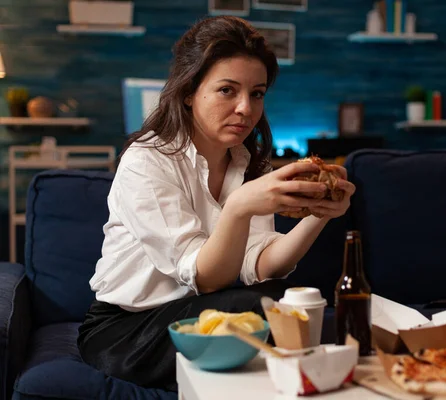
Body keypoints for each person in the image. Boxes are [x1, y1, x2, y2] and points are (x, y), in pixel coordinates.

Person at [77, 15, 356, 392]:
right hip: (129, 329)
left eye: (256, 93)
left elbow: (260, 263)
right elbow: (205, 277)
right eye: (228, 90)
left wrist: (320, 215)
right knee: (262, 309)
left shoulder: (245, 163)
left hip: (202, 314)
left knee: (280, 302)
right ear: (190, 91)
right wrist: (240, 205)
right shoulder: (147, 160)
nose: (245, 108)